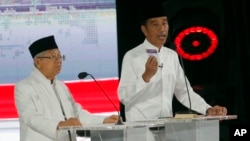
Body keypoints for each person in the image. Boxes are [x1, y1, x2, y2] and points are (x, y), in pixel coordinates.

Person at [118, 1, 227, 122]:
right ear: (144, 30)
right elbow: (124, 97)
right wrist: (145, 77)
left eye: (164, 23)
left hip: (166, 127)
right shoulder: (132, 56)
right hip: (140, 128)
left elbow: (184, 92)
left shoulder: (172, 55)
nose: (162, 29)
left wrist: (207, 109)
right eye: (155, 24)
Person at [14, 35, 119, 141]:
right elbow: (30, 117)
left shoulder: (61, 87)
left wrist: (103, 120)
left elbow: (77, 115)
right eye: (53, 56)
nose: (59, 60)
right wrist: (59, 124)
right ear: (38, 62)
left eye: (60, 56)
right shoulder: (24, 87)